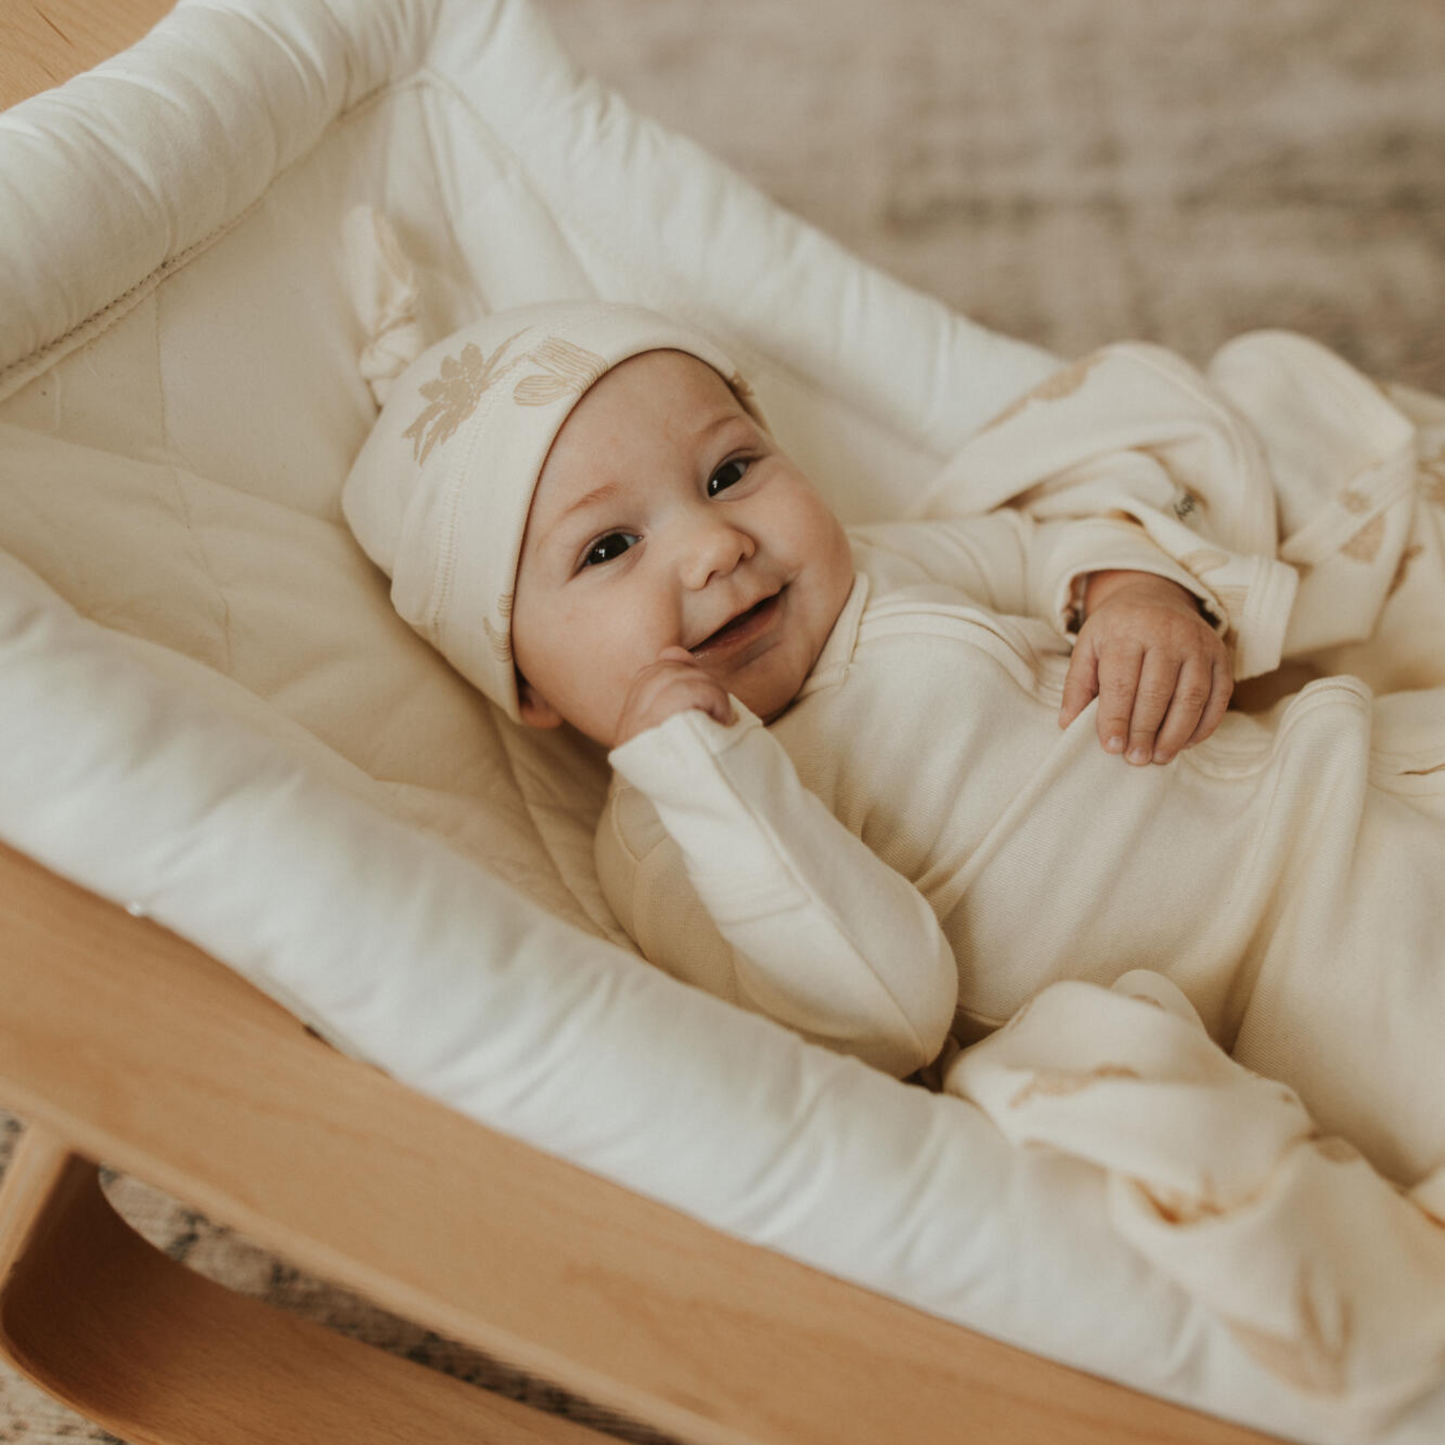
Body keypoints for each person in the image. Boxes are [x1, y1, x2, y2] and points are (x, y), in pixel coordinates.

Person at [344, 299, 1445, 1186]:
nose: (713, 544)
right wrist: (701, 768)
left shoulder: (881, 568)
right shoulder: (668, 839)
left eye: (728, 472)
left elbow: (1037, 541)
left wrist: (1132, 591)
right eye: (610, 547)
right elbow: (882, 1011)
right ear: (529, 686)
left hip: (1330, 777)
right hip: (1287, 979)